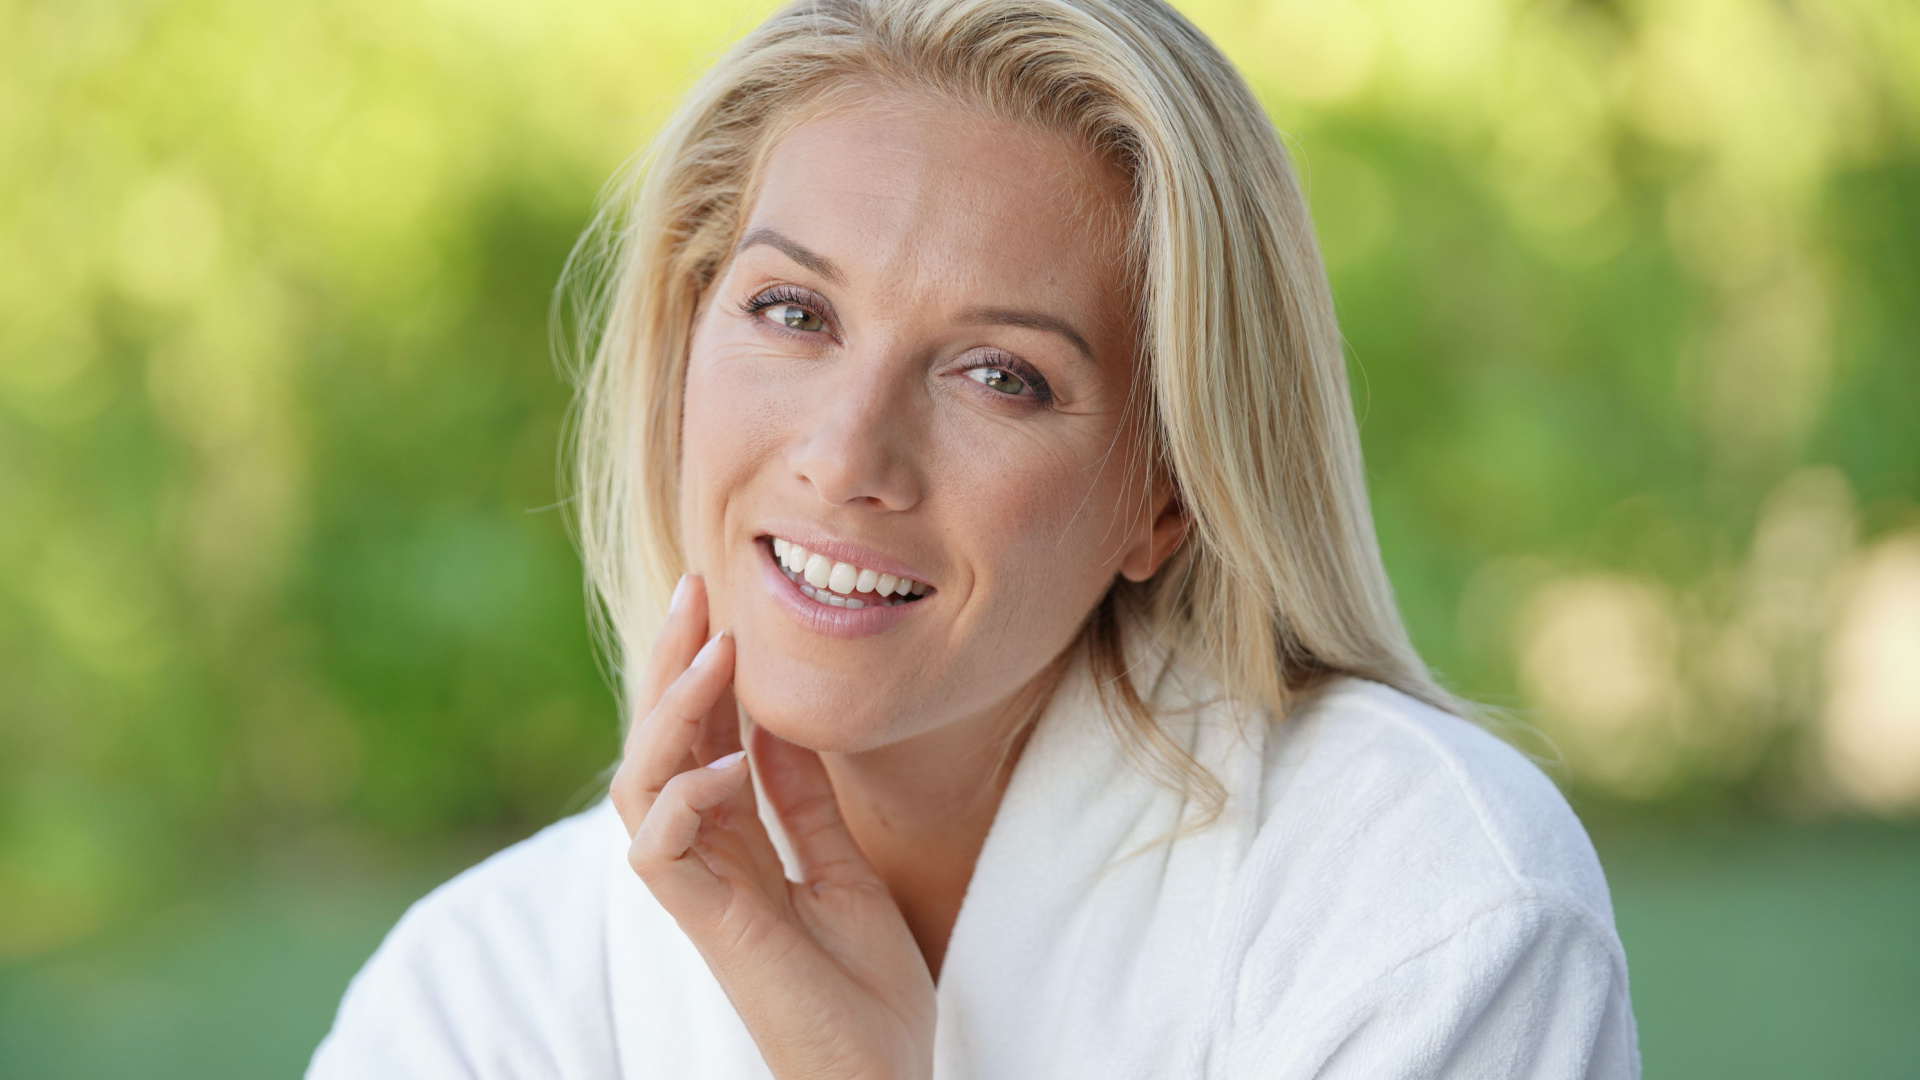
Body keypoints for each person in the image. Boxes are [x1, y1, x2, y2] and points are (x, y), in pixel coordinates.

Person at [309, 0, 1639, 1075]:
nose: (844, 455)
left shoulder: (1420, 908)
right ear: (683, 341)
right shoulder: (478, 1002)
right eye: (792, 312)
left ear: (1167, 495)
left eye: (1000, 375)